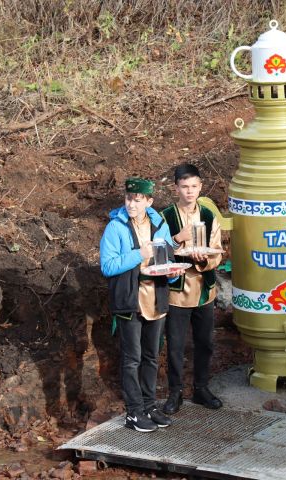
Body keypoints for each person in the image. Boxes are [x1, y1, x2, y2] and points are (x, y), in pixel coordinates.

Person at [100, 177, 183, 432]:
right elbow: (108, 266)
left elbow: (165, 258)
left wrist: (173, 273)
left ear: (149, 201)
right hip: (129, 300)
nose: (131, 204)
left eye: (137, 200)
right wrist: (139, 254)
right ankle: (133, 412)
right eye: (128, 199)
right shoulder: (116, 227)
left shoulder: (159, 224)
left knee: (151, 357)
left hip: (155, 299)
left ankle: (149, 405)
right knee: (132, 358)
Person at [161, 163, 223, 414]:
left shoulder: (209, 216)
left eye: (194, 186)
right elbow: (155, 251)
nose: (189, 191)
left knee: (205, 342)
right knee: (175, 345)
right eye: (184, 187)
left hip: (204, 289)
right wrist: (177, 238)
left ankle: (201, 388)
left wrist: (203, 260)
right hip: (177, 291)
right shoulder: (165, 217)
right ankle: (174, 392)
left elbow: (217, 251)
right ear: (176, 188)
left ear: (201, 187)